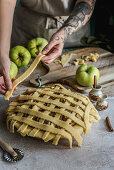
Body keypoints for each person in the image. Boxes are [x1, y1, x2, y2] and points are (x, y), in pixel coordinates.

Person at [0, 0, 96, 95]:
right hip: (25, 30)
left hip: (72, 34)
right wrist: (3, 55)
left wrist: (63, 34)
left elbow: (86, 2)